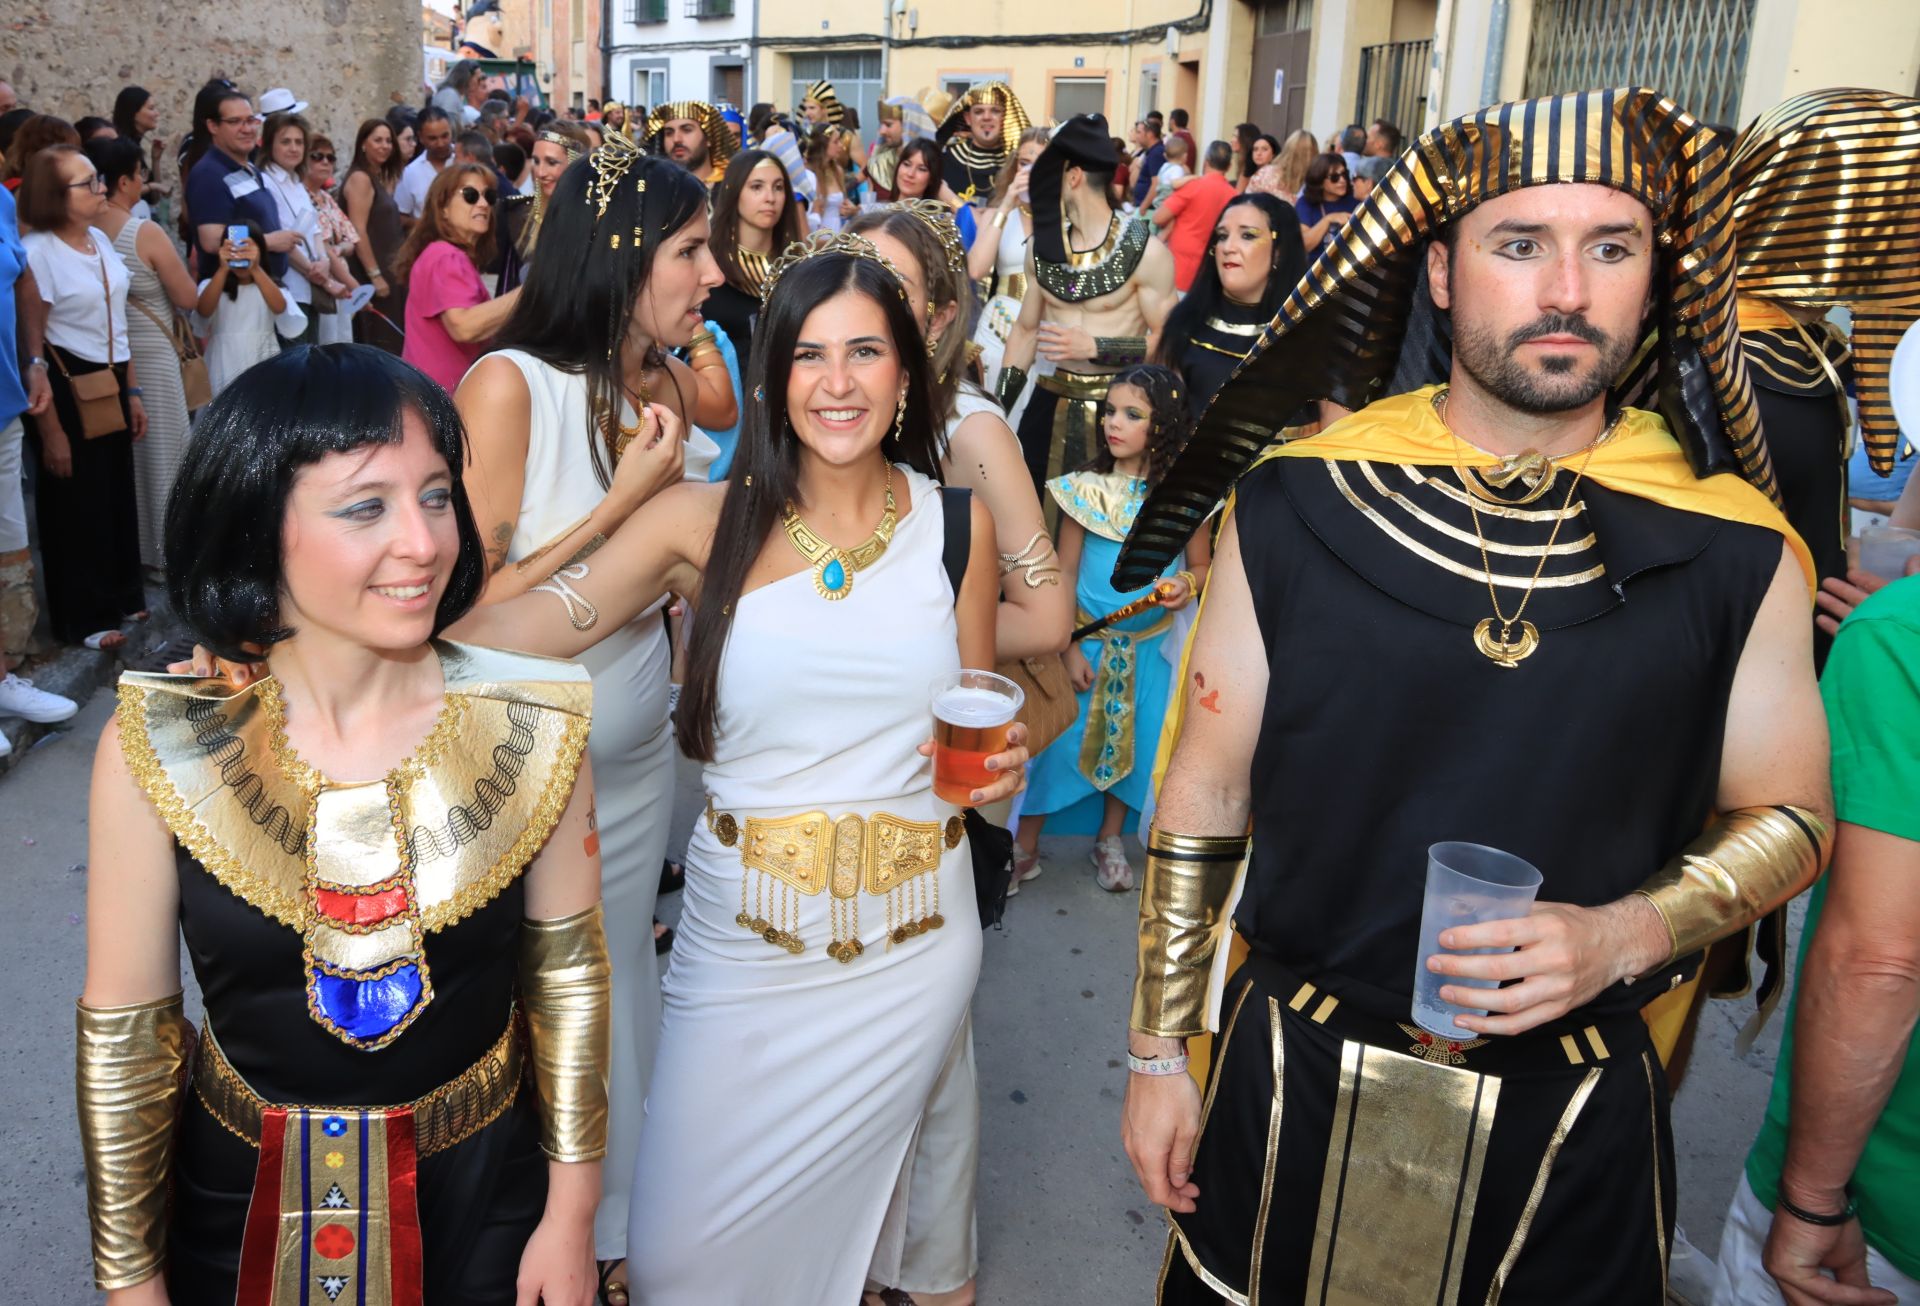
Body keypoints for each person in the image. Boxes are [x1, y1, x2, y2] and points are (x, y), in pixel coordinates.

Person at [1115, 86, 1832, 1306]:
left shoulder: (1735, 551)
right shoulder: (1297, 504)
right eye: (1521, 246)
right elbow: (1208, 784)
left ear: (1656, 276)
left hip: (1574, 1112)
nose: (1567, 289)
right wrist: (1155, 1049)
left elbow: (1794, 819)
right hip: (1294, 1066)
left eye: (1611, 248)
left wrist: (1623, 932)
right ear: (1441, 272)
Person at [443, 231, 1025, 1305]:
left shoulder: (959, 530)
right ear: (773, 376)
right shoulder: (696, 523)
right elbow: (503, 631)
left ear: (907, 373)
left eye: (865, 352)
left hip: (912, 943)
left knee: (874, 1258)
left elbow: (976, 720)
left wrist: (1002, 772)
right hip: (744, 948)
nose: (837, 382)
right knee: (679, 1263)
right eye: (808, 355)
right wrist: (323, 637)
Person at [88, 344, 609, 1306]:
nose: (422, 541)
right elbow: (130, 1040)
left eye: (438, 496)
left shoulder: (536, 725)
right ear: (257, 527)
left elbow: (566, 978)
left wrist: (571, 1214)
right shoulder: (157, 747)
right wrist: (130, 1284)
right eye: (366, 506)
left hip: (490, 1190)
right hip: (231, 1198)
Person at [456, 141, 721, 1304]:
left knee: (624, 986)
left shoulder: (656, 386)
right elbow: (453, 612)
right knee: (543, 993)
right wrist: (623, 518)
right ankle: (534, 1233)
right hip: (519, 786)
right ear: (624, 258)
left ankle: (620, 1222)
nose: (713, 274)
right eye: (690, 251)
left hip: (636, 752)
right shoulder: (508, 386)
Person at [1018, 363, 1198, 888]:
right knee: (1059, 749)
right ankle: (1024, 847)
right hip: (1087, 646)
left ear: (1162, 425)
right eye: (1109, 411)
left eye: (1131, 414)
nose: (1112, 423)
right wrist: (1065, 648)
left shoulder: (1183, 499)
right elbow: (1065, 571)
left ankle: (1108, 840)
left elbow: (1201, 567)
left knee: (1137, 746)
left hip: (1150, 650)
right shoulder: (1084, 491)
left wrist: (1186, 584)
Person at [997, 114, 1177, 506]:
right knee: (1031, 515)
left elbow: (1170, 342)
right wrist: (997, 411)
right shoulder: (1040, 248)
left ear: (1072, 176)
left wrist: (1098, 346)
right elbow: (1026, 332)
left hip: (1118, 412)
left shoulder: (1146, 251)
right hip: (1048, 403)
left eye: (1047, 170)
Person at [19, 145, 148, 651]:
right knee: (75, 501)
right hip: (69, 382)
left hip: (112, 375)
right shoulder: (39, 252)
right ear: (56, 195)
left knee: (115, 490)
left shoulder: (98, 238)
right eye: (87, 182)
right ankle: (83, 617)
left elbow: (122, 322)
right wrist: (51, 430)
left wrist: (132, 390)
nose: (101, 189)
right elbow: (35, 346)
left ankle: (119, 591)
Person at [87, 136, 198, 574]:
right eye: (140, 173)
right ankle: (167, 551)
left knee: (132, 459)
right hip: (154, 351)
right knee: (167, 451)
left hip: (114, 351)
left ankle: (138, 549)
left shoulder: (89, 234)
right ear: (125, 181)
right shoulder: (142, 231)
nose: (144, 182)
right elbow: (186, 296)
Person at [0, 142, 71, 753]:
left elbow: (21, 279)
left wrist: (33, 362)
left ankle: (1, 679)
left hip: (4, 405)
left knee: (6, 550)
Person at [1153, 191, 1306, 417]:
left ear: (1279, 252)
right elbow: (1164, 423)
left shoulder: (1314, 333)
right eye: (1222, 236)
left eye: (1248, 236)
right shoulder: (1186, 323)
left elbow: (1336, 440)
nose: (1228, 247)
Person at [398, 163, 516, 394]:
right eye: (470, 195)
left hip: (428, 395)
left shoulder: (441, 254)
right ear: (442, 207)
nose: (483, 204)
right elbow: (464, 327)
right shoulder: (446, 256)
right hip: (441, 399)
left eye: (489, 196)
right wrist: (531, 291)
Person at [705, 147, 807, 377]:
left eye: (778, 187)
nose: (770, 198)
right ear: (734, 191)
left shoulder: (796, 267)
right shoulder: (708, 265)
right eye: (756, 187)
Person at [182, 87, 292, 283]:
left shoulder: (248, 167)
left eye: (250, 120)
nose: (247, 128)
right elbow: (212, 239)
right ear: (213, 126)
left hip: (262, 289)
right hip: (234, 294)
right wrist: (269, 242)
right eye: (234, 121)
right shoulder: (209, 173)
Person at [971, 127, 1050, 401]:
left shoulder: (1065, 219)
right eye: (1024, 163)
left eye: (1039, 165)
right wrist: (1006, 205)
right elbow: (976, 268)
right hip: (998, 327)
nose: (1029, 172)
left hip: (1046, 330)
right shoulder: (998, 214)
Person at [193, 221, 306, 395]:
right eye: (234, 249)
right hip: (223, 361)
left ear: (261, 251)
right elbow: (203, 311)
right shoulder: (212, 285)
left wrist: (255, 269)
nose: (241, 255)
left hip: (262, 359)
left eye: (248, 249)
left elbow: (280, 308)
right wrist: (223, 269)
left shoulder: (272, 287)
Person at [257, 112, 328, 346]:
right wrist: (312, 271)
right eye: (285, 142)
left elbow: (314, 229)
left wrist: (324, 261)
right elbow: (282, 236)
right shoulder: (266, 181)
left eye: (299, 142)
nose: (293, 148)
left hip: (310, 287)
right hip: (290, 286)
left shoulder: (297, 181)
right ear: (270, 144)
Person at [499, 119, 588, 294]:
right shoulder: (521, 216)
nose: (540, 172)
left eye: (551, 162)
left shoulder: (602, 215)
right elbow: (508, 287)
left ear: (576, 164)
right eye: (536, 161)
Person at [343, 117, 408, 353]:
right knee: (381, 342)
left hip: (389, 272)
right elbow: (357, 229)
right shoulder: (360, 179)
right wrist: (375, 275)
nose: (384, 146)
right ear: (363, 144)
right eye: (377, 140)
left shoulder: (376, 178)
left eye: (389, 141)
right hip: (373, 275)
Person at [1151, 140, 1240, 293]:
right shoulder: (1234, 196)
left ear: (1206, 161)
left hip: (1179, 267)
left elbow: (1158, 218)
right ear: (1229, 167)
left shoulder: (1192, 186)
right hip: (1211, 272)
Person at [301, 134, 362, 346]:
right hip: (324, 283)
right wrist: (356, 288)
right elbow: (325, 249)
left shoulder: (326, 198)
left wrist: (340, 248)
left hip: (341, 283)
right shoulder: (302, 197)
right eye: (317, 156)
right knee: (327, 346)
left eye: (330, 157)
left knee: (343, 343)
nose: (325, 162)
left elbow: (351, 240)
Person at [937, 82, 1030, 206]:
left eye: (995, 111)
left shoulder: (1019, 166)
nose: (986, 117)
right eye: (979, 111)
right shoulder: (944, 160)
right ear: (968, 118)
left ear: (1006, 117)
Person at [110, 86, 167, 223]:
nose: (157, 114)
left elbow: (154, 198)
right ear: (134, 113)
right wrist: (152, 186)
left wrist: (156, 160)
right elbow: (119, 192)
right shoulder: (121, 148)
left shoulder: (135, 146)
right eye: (151, 108)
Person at [643, 101, 734, 185]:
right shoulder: (651, 187)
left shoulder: (731, 187)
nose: (676, 139)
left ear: (709, 138)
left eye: (687, 130)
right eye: (669, 133)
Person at [866, 95, 936, 202]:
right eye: (881, 124)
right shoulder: (878, 164)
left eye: (888, 125)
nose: (882, 131)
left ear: (907, 125)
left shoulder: (935, 163)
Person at [395, 106, 455, 226]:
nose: (440, 143)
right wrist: (428, 226)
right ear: (421, 137)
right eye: (433, 138)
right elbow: (401, 217)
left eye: (445, 136)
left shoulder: (465, 159)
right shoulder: (410, 174)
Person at [1295, 151, 1356, 251]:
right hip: (1315, 264)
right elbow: (1304, 245)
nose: (1342, 180)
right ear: (1319, 181)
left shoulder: (1355, 199)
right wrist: (1328, 220)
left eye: (1344, 174)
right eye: (1334, 177)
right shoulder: (1305, 203)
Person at [806, 124, 858, 233]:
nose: (841, 146)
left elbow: (843, 202)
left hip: (837, 232)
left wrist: (851, 209)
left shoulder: (837, 171)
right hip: (817, 235)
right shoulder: (809, 173)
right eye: (836, 141)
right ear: (823, 145)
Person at [1140, 134, 1189, 215]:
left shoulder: (1165, 166)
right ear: (1185, 156)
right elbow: (1175, 184)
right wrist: (1191, 178)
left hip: (1159, 202)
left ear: (1165, 155)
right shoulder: (1177, 169)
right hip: (1168, 204)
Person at [1130, 118, 1166, 209]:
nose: (1137, 136)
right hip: (1143, 207)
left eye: (1139, 132)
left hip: (1147, 210)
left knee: (1134, 224)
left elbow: (1156, 183)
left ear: (1150, 134)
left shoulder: (1157, 153)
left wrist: (1144, 206)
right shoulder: (1152, 152)